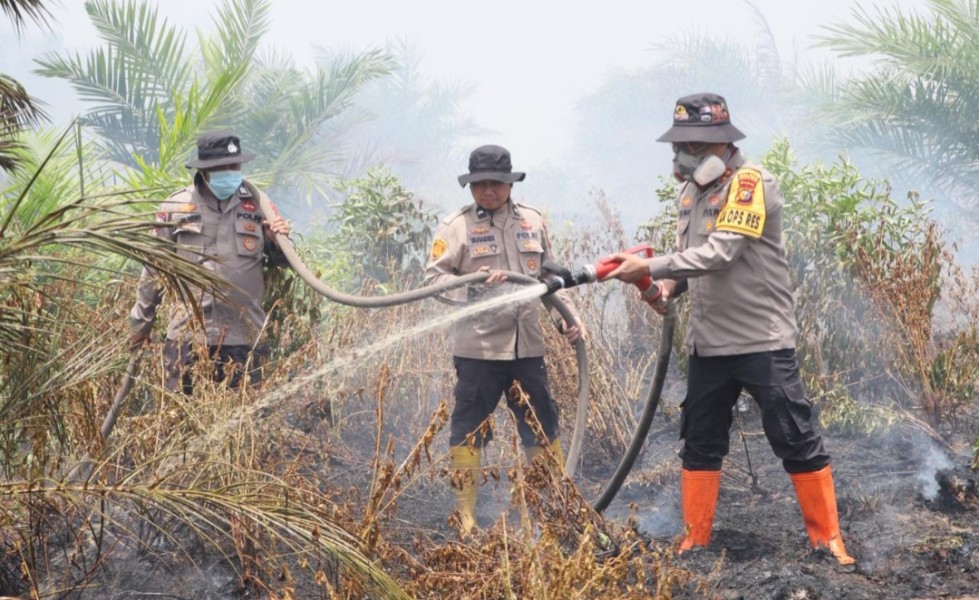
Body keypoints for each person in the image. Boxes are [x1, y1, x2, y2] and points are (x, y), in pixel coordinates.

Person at [606, 93, 855, 565]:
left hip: (760, 339)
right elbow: (689, 267)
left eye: (695, 145)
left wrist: (651, 264)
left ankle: (828, 541)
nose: (685, 156)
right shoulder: (691, 193)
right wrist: (657, 287)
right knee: (700, 440)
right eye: (681, 145)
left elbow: (721, 253)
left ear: (721, 140)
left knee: (794, 435)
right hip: (708, 343)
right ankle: (694, 541)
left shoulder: (750, 184)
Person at [424, 144, 585, 536]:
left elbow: (548, 278)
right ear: (471, 186)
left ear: (509, 183)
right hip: (478, 350)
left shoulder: (532, 221)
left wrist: (568, 317)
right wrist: (474, 287)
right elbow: (434, 281)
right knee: (468, 430)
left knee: (541, 426)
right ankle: (465, 518)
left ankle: (547, 511)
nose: (488, 191)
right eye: (480, 185)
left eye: (496, 183)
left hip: (526, 348)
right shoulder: (455, 226)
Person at [129, 131, 291, 394]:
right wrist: (140, 326)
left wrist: (277, 240)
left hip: (245, 337)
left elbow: (287, 261)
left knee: (246, 426)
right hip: (188, 338)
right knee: (182, 422)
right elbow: (153, 270)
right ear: (205, 170)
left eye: (235, 166)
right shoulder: (175, 206)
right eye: (222, 168)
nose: (230, 172)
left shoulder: (258, 204)